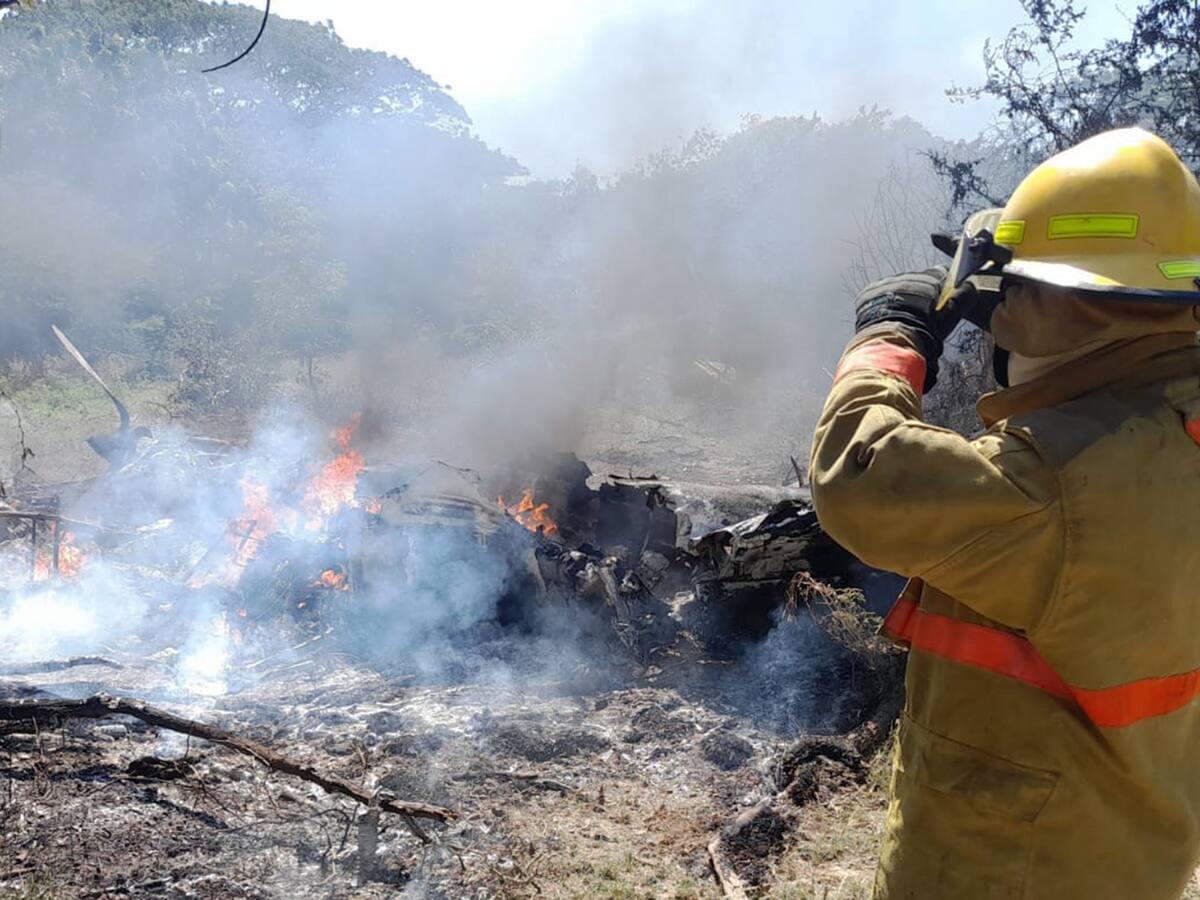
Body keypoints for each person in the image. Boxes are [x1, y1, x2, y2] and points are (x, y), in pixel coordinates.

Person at [809, 127, 1200, 898]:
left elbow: (859, 476)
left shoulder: (1051, 486)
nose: (995, 318)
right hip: (1129, 851)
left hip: (1005, 869)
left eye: (1006, 293)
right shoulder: (1172, 434)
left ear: (1061, 308)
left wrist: (887, 342)